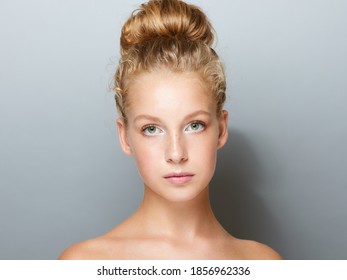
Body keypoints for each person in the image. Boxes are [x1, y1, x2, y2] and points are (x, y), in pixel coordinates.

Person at [59, 0, 281, 260]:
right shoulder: (84, 263)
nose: (176, 154)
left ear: (221, 129)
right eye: (152, 129)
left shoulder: (264, 263)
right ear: (125, 137)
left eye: (194, 125)